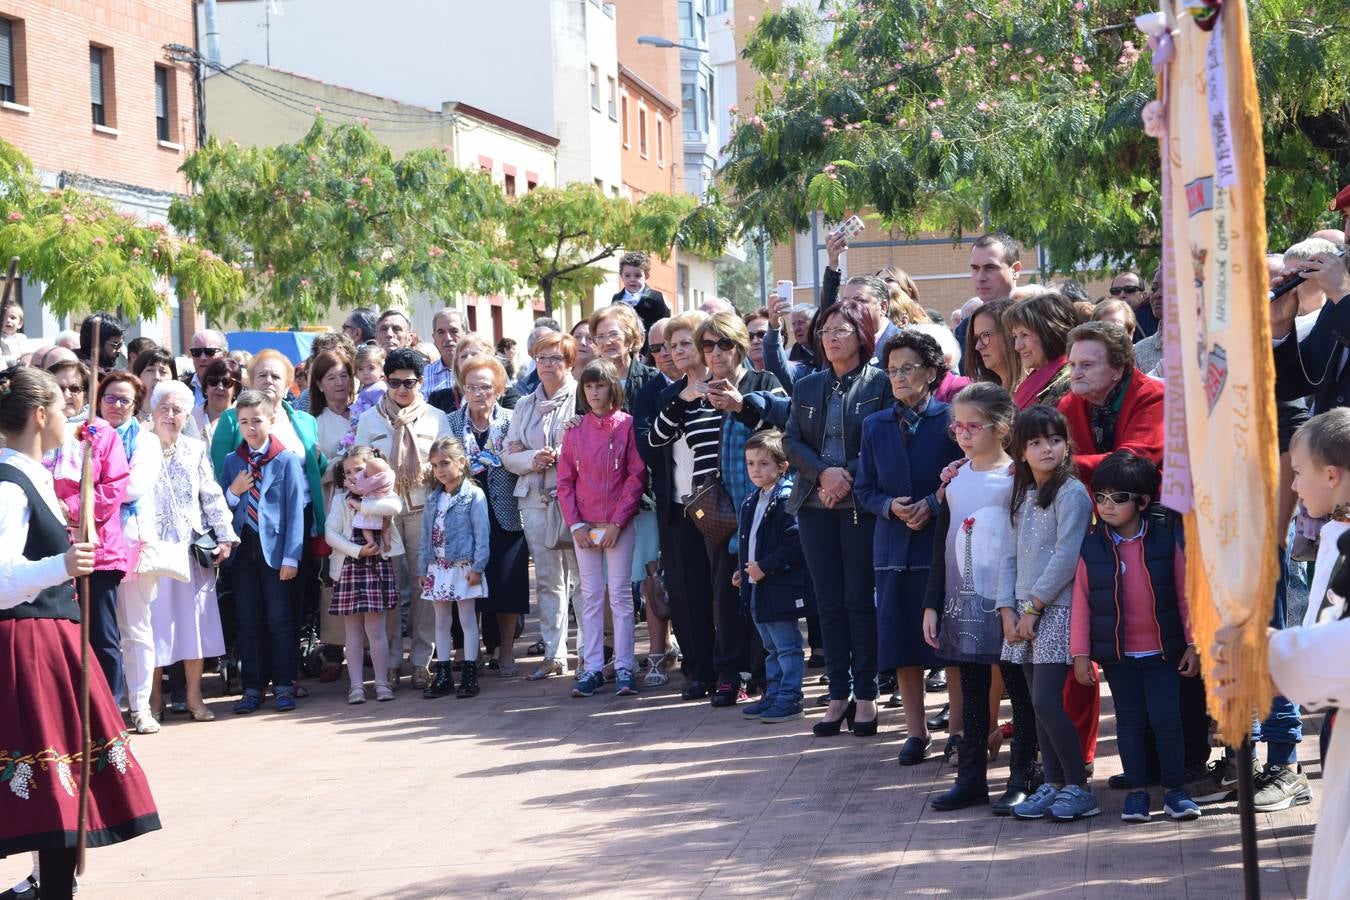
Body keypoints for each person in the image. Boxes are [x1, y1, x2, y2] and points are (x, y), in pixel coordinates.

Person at [0, 367, 160, 900]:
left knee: (59, 788)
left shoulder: (36, 474)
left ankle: (54, 889)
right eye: (64, 403)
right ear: (39, 416)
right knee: (38, 779)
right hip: (25, 643)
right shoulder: (9, 483)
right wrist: (62, 564)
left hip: (53, 638)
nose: (74, 410)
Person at [1211, 408, 1350, 899]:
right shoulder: (1336, 531)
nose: (1291, 487)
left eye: (1297, 473)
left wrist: (1264, 654)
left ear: (1331, 475)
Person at [1071, 451, 1201, 823]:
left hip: (1163, 653)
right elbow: (1082, 603)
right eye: (1101, 497)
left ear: (1143, 502)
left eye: (1119, 498)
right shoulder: (1092, 546)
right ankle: (1137, 792)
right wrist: (1081, 654)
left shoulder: (1164, 541)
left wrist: (1193, 643)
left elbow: (1183, 593)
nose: (1107, 506)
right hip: (1119, 656)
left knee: (1167, 721)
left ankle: (1176, 790)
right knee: (1129, 723)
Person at [856, 330, 964, 760]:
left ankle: (958, 728)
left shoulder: (951, 420)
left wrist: (932, 505)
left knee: (951, 644)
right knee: (901, 641)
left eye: (908, 368)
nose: (898, 377)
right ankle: (916, 732)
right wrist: (889, 507)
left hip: (941, 549)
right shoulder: (874, 424)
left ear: (932, 371)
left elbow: (966, 472)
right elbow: (864, 487)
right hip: (892, 549)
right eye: (892, 370)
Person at [785, 299, 891, 735]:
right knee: (827, 604)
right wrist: (824, 473)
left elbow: (885, 438)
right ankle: (837, 695)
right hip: (813, 504)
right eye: (824, 332)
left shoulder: (880, 383)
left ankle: (865, 696)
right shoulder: (807, 386)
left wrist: (846, 476)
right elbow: (791, 441)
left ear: (861, 336)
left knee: (858, 602)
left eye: (840, 331)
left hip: (859, 506)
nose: (830, 339)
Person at [922, 383, 1019, 810]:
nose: (963, 433)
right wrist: (931, 602)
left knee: (1021, 689)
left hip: (1010, 603)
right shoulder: (956, 478)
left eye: (973, 426)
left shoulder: (1017, 477)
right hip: (962, 602)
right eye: (957, 426)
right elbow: (942, 543)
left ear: (1000, 428)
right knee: (972, 692)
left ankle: (1023, 776)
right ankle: (971, 777)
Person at [999, 405, 1097, 822]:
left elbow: (1066, 554)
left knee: (1046, 700)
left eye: (1054, 440)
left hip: (1054, 609)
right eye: (1035, 442)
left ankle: (1077, 786)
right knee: (1036, 704)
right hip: (1022, 614)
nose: (1046, 449)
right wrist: (1007, 608)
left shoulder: (1071, 492)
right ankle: (1054, 783)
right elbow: (1008, 554)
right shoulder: (1020, 495)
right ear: (1020, 451)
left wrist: (1034, 606)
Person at [694, 312, 785, 705]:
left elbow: (780, 431)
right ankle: (728, 674)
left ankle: (762, 675)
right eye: (709, 346)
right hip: (722, 511)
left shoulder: (763, 383)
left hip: (766, 507)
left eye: (725, 344)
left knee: (762, 593)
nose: (716, 353)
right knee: (725, 595)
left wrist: (740, 406)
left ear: (741, 347)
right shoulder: (697, 391)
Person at [353, 347, 452, 689]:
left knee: (425, 583)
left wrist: (428, 471)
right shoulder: (369, 420)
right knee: (390, 585)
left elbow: (454, 463)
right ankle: (391, 660)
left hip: (423, 509)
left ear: (421, 382)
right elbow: (358, 466)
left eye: (408, 383)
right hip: (385, 514)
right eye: (393, 383)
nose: (401, 390)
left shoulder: (437, 417)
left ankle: (423, 659)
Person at [143, 382, 238, 721]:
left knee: (194, 625)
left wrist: (225, 536)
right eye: (164, 408)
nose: (170, 415)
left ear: (187, 415)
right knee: (152, 626)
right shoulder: (140, 445)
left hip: (189, 548)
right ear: (152, 411)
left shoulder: (195, 449)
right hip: (151, 549)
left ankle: (195, 697)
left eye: (178, 409)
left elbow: (211, 495)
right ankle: (153, 701)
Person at [44, 359, 131, 706]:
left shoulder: (100, 432)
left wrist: (72, 508)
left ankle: (109, 710)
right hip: (50, 547)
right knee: (62, 633)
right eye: (60, 387)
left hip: (96, 548)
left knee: (101, 634)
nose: (67, 394)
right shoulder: (40, 433)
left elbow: (114, 487)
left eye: (75, 388)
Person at [559, 359, 647, 698]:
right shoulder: (575, 430)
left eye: (601, 385)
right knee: (591, 597)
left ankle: (625, 666)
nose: (595, 392)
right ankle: (593, 667)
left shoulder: (627, 426)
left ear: (613, 387)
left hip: (617, 526)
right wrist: (576, 524)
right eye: (589, 386)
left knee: (622, 596)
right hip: (585, 526)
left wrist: (617, 523)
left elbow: (636, 477)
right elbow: (565, 481)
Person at [219, 389, 306, 715]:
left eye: (257, 420)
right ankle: (252, 687)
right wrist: (232, 492)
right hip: (244, 551)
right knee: (248, 620)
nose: (251, 428)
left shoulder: (285, 459)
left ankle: (284, 683)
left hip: (276, 552)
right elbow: (220, 510)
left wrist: (291, 557)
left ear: (271, 420)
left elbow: (295, 510)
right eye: (244, 422)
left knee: (280, 619)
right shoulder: (233, 461)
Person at [502, 330, 580, 681]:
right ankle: (554, 653)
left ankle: (592, 651)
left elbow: (590, 444)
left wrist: (560, 457)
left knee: (582, 578)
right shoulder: (523, 404)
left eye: (555, 358)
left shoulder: (581, 395)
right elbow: (508, 454)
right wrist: (534, 458)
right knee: (549, 580)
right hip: (534, 499)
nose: (547, 365)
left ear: (569, 361)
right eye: (542, 358)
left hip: (575, 500)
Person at [443, 356, 527, 676]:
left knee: (506, 585)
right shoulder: (450, 423)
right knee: (466, 584)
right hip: (462, 515)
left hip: (505, 511)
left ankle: (505, 650)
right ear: (462, 389)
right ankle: (470, 649)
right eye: (472, 387)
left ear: (499, 389)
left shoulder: (511, 420)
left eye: (486, 387)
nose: (479, 393)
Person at [94, 372, 162, 734]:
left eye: (124, 400)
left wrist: (92, 489)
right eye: (110, 398)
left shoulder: (145, 441)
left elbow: (133, 488)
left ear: (136, 406)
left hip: (131, 539)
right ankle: (106, 709)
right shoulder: (85, 434)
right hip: (95, 542)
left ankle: (140, 706)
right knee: (102, 631)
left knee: (136, 628)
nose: (116, 406)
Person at [733, 429, 808, 723]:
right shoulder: (753, 500)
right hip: (756, 586)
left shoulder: (786, 497)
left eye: (763, 463)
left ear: (782, 466)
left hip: (778, 585)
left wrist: (765, 566)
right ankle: (774, 693)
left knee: (786, 645)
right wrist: (744, 569)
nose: (755, 470)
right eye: (751, 463)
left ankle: (790, 697)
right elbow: (751, 540)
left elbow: (794, 541)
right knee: (770, 646)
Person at [325, 446, 403, 704]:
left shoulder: (385, 496)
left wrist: (362, 504)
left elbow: (394, 507)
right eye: (348, 471)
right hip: (351, 566)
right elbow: (331, 534)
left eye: (359, 469)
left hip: (377, 567)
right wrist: (358, 551)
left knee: (376, 629)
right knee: (353, 632)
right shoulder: (339, 499)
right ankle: (356, 686)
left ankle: (381, 683)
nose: (354, 475)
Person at [418, 436, 489, 699]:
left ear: (461, 462)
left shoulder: (474, 495)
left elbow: (482, 535)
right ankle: (444, 673)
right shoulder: (433, 498)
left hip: (463, 566)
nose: (440, 470)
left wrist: (478, 567)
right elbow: (426, 536)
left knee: (467, 620)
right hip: (438, 568)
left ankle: (470, 672)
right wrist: (422, 569)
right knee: (441, 621)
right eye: (435, 465)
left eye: (445, 463)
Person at [632, 317, 682, 686]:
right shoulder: (647, 392)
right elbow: (648, 445)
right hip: (657, 499)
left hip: (704, 497)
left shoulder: (703, 382)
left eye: (671, 345)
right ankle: (657, 651)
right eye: (656, 348)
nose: (665, 353)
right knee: (655, 579)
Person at [1058, 321, 1164, 484]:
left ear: (1118, 369)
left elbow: (1131, 463)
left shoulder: (1154, 397)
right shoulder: (1069, 403)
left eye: (1086, 365)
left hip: (1146, 504)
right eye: (1072, 365)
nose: (1075, 374)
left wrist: (1056, 466)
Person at [1005, 292, 1077, 409]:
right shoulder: (1038, 377)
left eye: (1025, 335)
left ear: (1050, 333)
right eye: (1015, 336)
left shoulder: (1071, 382)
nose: (1017, 346)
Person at [964, 298, 1024, 389]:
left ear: (1010, 334)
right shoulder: (985, 395)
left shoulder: (1038, 393)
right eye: (976, 338)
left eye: (985, 335)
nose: (977, 347)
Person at [613, 250, 671, 340]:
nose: (632, 279)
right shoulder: (617, 298)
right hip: (623, 343)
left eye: (637, 275)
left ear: (646, 276)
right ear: (621, 276)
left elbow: (664, 324)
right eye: (627, 275)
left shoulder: (655, 297)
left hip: (647, 345)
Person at [192, 356, 243, 450]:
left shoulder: (243, 419)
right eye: (213, 381)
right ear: (205, 385)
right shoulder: (190, 416)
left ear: (236, 389)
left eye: (226, 382)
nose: (219, 387)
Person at [349, 456, 396, 551]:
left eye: (365, 471)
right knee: (385, 528)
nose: (364, 473)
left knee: (365, 528)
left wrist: (350, 486)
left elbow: (358, 490)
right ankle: (387, 544)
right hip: (383, 513)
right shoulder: (387, 480)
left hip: (370, 512)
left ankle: (371, 542)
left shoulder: (370, 484)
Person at [422, 309, 467, 398]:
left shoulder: (483, 371)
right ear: (434, 337)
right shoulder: (423, 375)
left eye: (454, 331)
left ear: (465, 334)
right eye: (441, 332)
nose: (447, 338)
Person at [969, 233, 1022, 303]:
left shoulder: (1036, 313)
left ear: (1015, 270)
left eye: (990, 267)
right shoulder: (968, 313)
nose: (980, 278)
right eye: (975, 268)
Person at [182, 329, 229, 405]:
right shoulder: (181, 389)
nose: (202, 358)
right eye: (196, 352)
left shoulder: (237, 389)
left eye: (210, 351)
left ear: (224, 355)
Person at [1107, 271, 1157, 340]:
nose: (1122, 295)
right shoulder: (1104, 319)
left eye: (1130, 289)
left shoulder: (1156, 314)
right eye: (1116, 291)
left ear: (1144, 295)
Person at [0, 301, 27, 365]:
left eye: (12, 318)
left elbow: (26, 353)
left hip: (22, 371)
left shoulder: (22, 338)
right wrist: (16, 358)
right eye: (3, 318)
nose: (8, 320)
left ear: (20, 324)